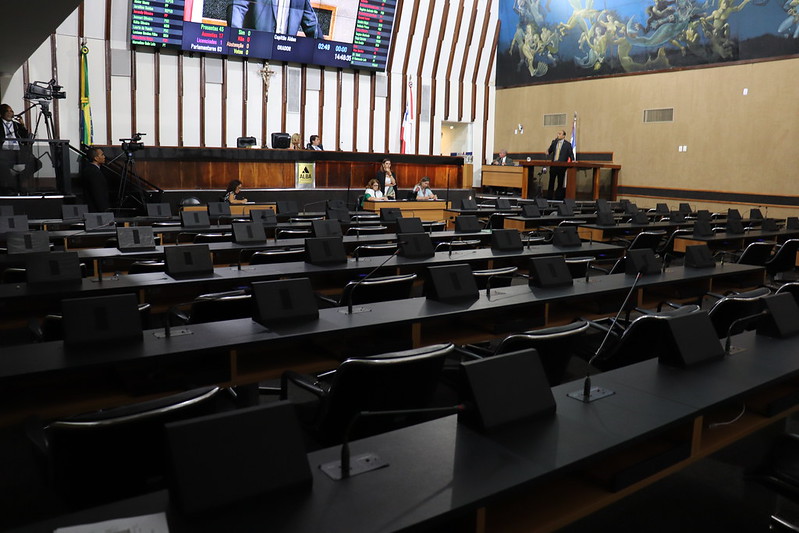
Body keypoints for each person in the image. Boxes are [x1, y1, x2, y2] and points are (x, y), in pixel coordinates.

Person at [228, 0, 321, 37]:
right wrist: (237, 38)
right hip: (253, 50)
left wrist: (324, 50)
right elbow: (237, 6)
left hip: (285, 54)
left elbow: (311, 24)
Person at [0, 103, 37, 194]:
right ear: (1, 113)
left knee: (36, 163)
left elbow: (25, 138)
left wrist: (23, 125)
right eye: (7, 111)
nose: (10, 113)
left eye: (11, 111)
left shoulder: (17, 125)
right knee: (2, 165)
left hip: (18, 152)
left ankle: (15, 183)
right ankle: (12, 187)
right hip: (3, 152)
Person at [546, 130, 574, 200]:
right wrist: (547, 151)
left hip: (562, 166)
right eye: (558, 133)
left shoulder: (567, 144)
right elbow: (549, 151)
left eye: (560, 134)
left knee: (560, 182)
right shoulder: (554, 142)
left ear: (564, 136)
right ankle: (549, 197)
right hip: (553, 165)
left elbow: (571, 155)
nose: (558, 135)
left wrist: (572, 161)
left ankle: (558, 197)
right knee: (551, 181)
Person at [82, 146, 110, 212]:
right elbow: (98, 193)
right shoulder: (94, 172)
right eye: (102, 155)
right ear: (96, 158)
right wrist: (104, 210)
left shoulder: (90, 169)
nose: (104, 157)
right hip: (96, 211)